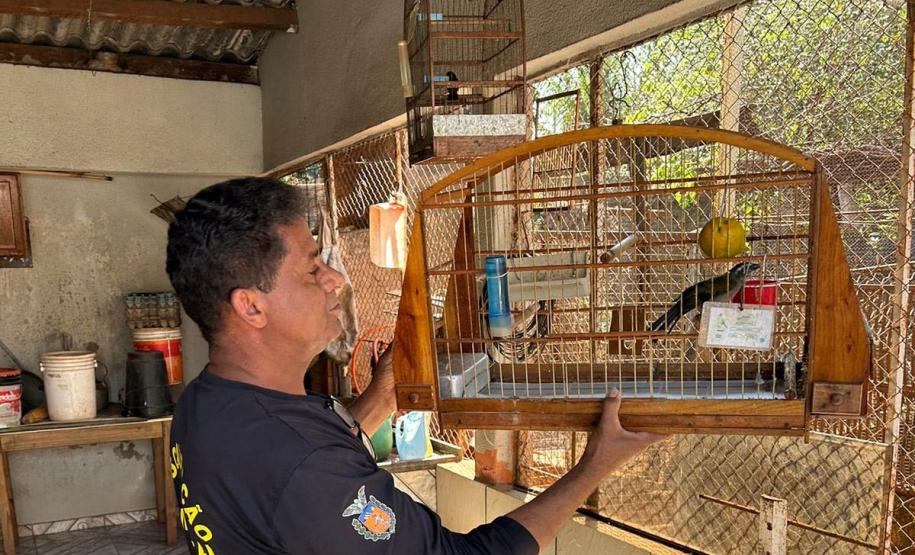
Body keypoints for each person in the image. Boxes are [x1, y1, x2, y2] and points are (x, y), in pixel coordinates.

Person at [165, 177, 666, 554]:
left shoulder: (205, 406)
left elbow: (287, 478)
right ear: (251, 306)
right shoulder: (301, 463)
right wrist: (592, 467)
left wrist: (381, 401)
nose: (335, 279)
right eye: (313, 268)